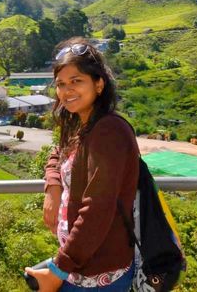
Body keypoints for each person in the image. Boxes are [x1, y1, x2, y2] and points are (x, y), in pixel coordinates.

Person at [24, 37, 139, 291]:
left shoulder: (109, 131)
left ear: (99, 84)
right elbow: (57, 152)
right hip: (79, 266)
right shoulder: (83, 128)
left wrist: (58, 270)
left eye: (76, 81)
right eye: (61, 84)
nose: (67, 91)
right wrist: (53, 188)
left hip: (98, 275)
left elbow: (97, 210)